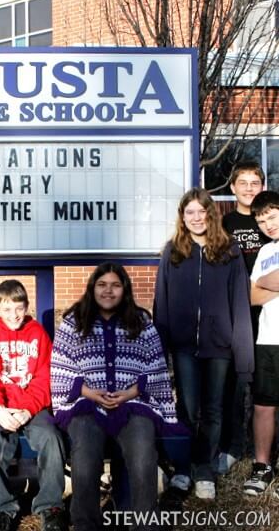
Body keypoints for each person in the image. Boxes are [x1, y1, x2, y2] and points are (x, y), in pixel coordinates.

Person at [51, 263, 179, 531]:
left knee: (144, 454)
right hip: (86, 404)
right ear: (92, 287)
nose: (108, 291)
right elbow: (61, 366)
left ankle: (144, 524)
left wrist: (131, 392)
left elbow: (156, 365)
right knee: (85, 458)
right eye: (102, 284)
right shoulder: (74, 321)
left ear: (125, 290)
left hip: (133, 403)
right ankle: (85, 524)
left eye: (115, 285)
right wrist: (88, 392)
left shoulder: (141, 322)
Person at [154, 187, 254, 500]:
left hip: (219, 347)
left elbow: (239, 303)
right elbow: (162, 302)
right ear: (182, 218)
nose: (196, 218)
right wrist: (161, 350)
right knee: (187, 409)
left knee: (213, 410)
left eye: (201, 211)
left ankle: (204, 468)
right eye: (189, 213)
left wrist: (243, 355)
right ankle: (183, 469)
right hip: (184, 347)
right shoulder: (173, 252)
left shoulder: (229, 251)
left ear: (210, 215)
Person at [0, 280, 66, 531]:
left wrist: (27, 409)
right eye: (6, 309)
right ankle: (2, 507)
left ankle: (50, 505)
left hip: (32, 407)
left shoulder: (38, 334)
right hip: (0, 408)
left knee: (50, 437)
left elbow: (45, 378)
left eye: (18, 308)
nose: (13, 315)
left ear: (26, 307)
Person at [219, 161, 268, 474]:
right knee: (234, 383)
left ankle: (266, 447)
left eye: (255, 183)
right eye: (243, 183)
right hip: (236, 313)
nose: (249, 188)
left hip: (268, 311)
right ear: (232, 187)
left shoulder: (270, 220)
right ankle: (233, 446)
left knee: (266, 383)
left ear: (262, 187)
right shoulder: (224, 224)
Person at [242, 190, 279, 497]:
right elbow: (252, 296)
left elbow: (261, 285)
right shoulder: (266, 251)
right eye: (262, 220)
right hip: (267, 337)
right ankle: (262, 466)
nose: (269, 225)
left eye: (273, 216)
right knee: (263, 404)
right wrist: (268, 283)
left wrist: (265, 282)